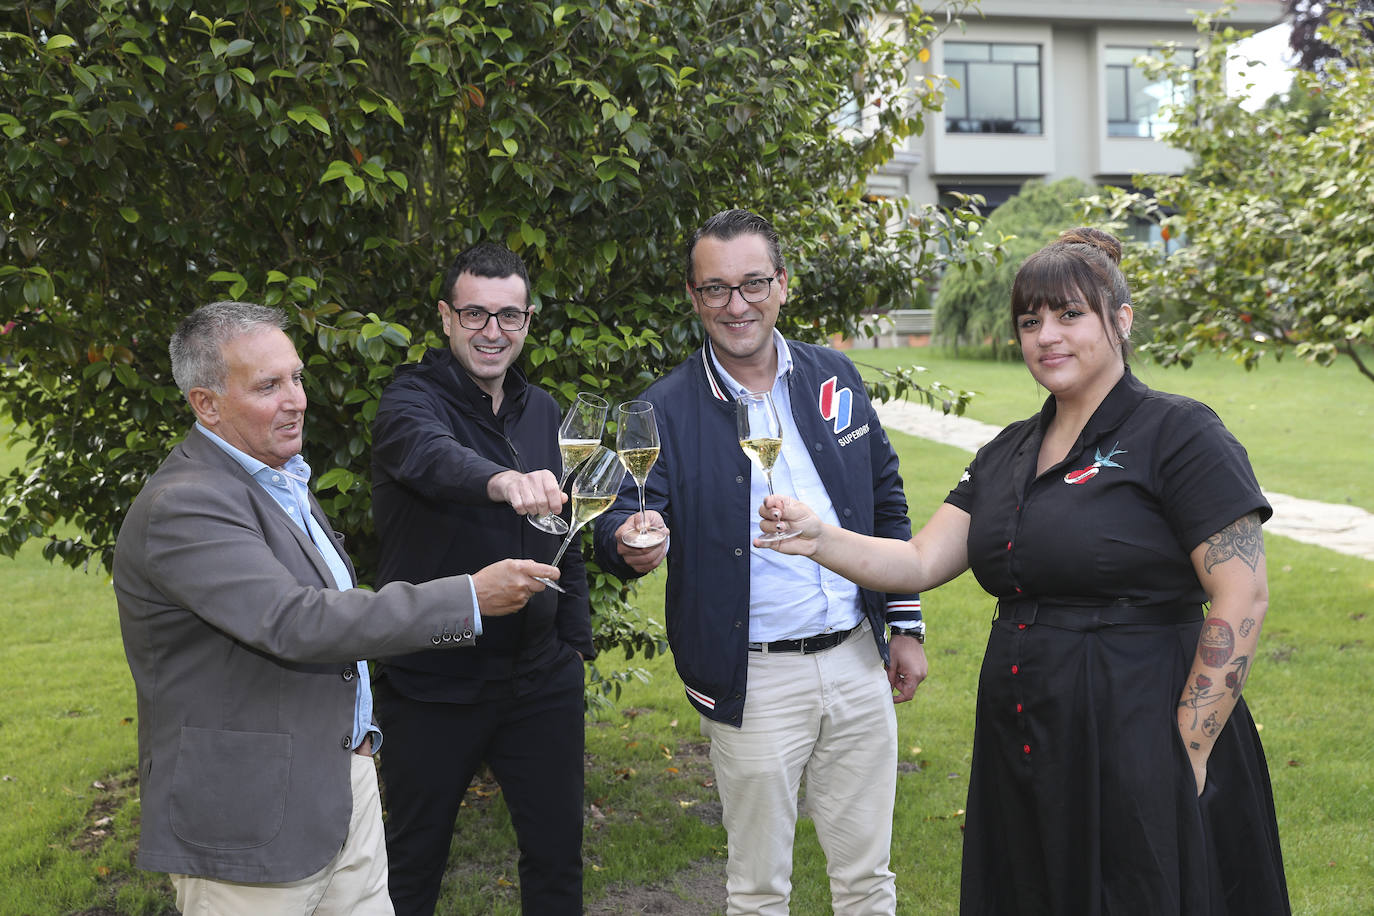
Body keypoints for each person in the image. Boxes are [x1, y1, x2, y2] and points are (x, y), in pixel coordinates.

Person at [758, 228, 1291, 915]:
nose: (1047, 335)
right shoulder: (1008, 450)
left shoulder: (1181, 433)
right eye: (1031, 320)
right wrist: (818, 537)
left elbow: (1241, 590)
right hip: (1027, 729)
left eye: (1070, 315)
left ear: (1121, 321)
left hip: (1141, 723)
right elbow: (919, 561)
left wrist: (1190, 744)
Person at [112, 301, 558, 914]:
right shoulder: (187, 504)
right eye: (268, 385)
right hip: (250, 818)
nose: (295, 399)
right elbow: (296, 621)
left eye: (296, 377)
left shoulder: (281, 478)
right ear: (205, 404)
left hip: (342, 784)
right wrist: (469, 598)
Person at [592, 208, 928, 915]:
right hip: (754, 676)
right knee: (757, 890)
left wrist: (905, 625)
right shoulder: (667, 407)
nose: (735, 305)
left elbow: (885, 499)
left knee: (869, 880)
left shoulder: (832, 376)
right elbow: (624, 515)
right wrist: (628, 542)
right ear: (693, 297)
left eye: (751, 284)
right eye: (715, 289)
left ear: (782, 285)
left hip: (857, 661)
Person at [369, 242, 594, 915]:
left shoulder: (543, 410)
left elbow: (566, 530)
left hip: (540, 681)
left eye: (509, 317)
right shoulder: (410, 401)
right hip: (435, 681)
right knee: (411, 867)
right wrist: (502, 480)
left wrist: (574, 646)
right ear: (445, 317)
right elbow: (431, 458)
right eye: (475, 315)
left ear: (527, 321)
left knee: (557, 860)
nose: (492, 332)